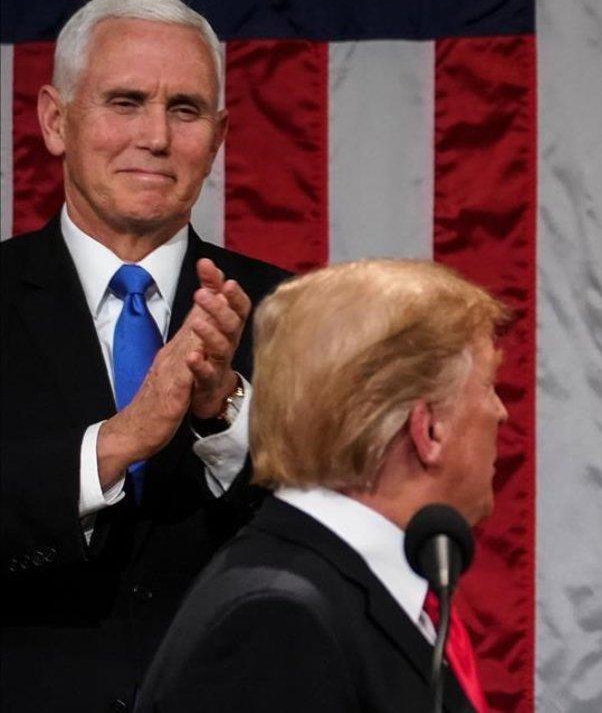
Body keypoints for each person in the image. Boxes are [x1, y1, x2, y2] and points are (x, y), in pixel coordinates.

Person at [0, 0, 288, 712]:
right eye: (125, 102)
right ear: (55, 120)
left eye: (185, 109)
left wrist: (226, 415)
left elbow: (335, 534)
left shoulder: (295, 313)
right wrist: (117, 442)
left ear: (218, 136)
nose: (155, 137)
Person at [136, 260, 508, 713]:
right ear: (428, 429)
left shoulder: (333, 587)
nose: (501, 413)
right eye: (488, 387)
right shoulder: (278, 622)